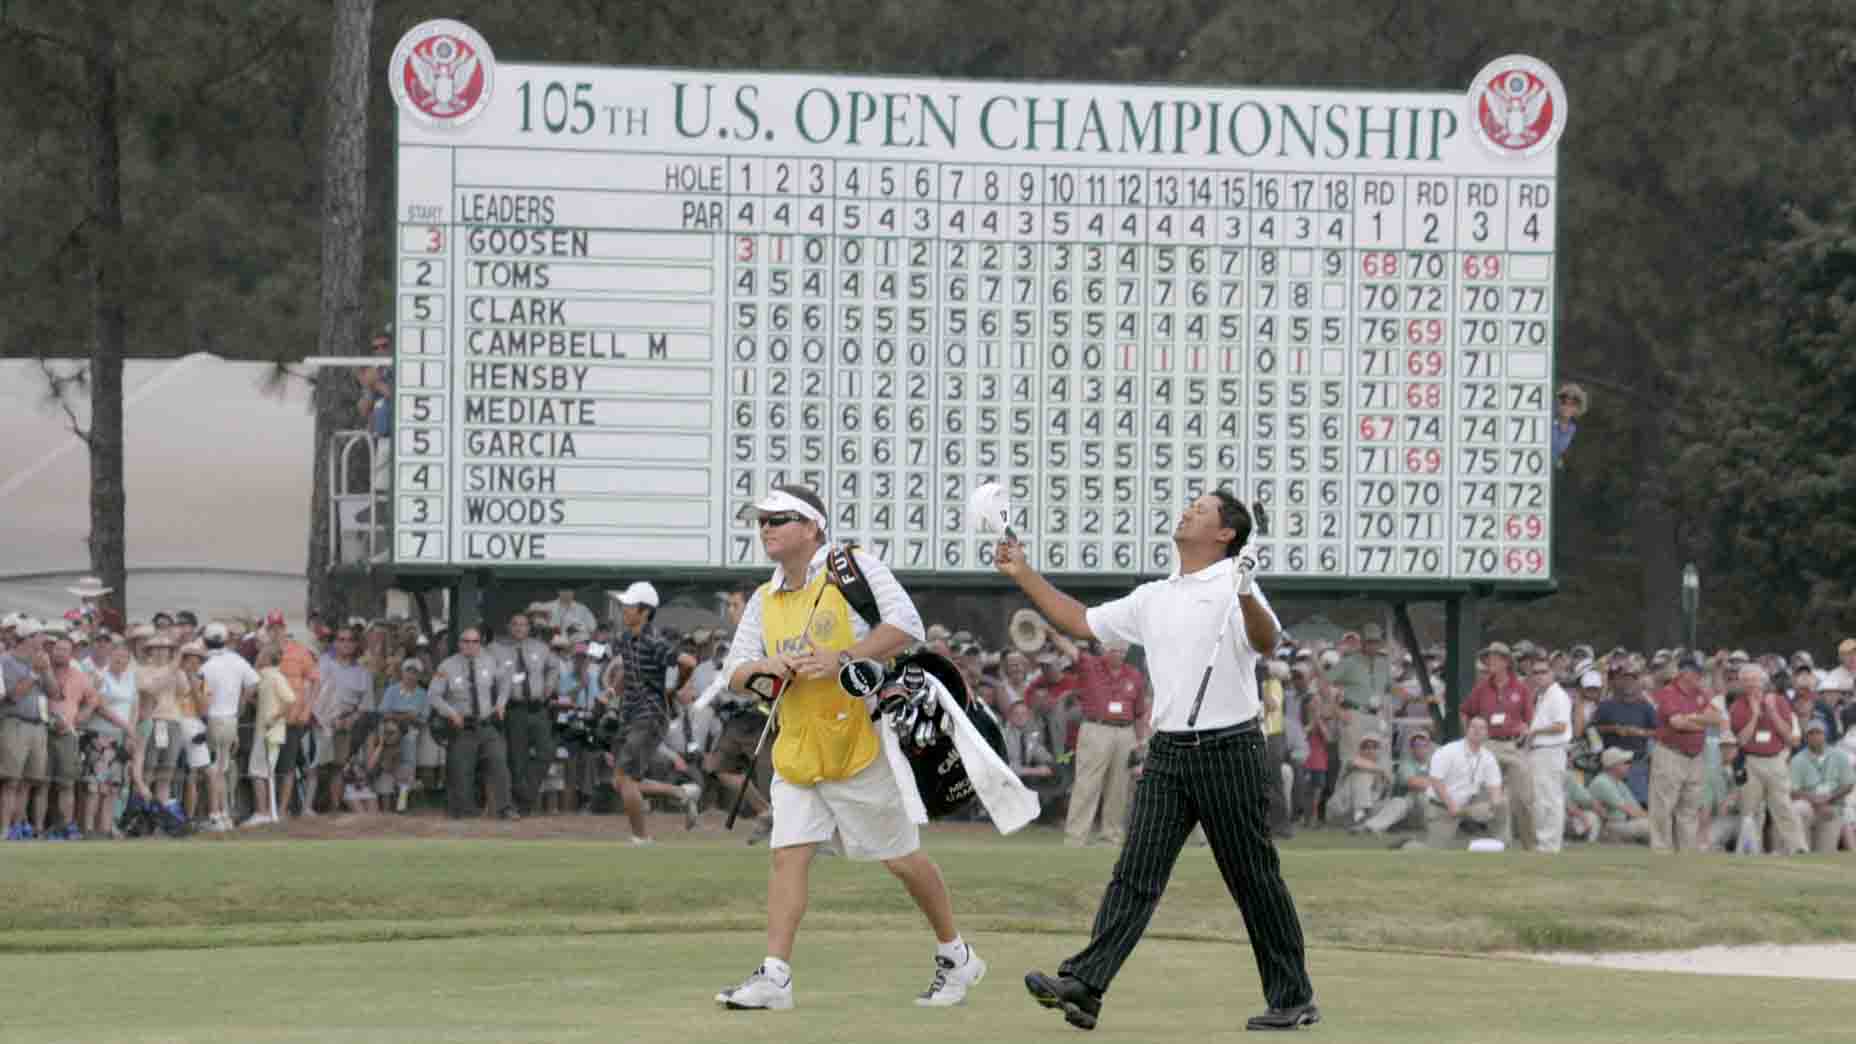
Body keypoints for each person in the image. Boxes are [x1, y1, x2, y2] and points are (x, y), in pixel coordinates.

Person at [999, 490, 1317, 1032]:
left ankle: (1293, 997)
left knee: (1253, 878)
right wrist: (1023, 572)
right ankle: (1087, 983)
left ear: (1224, 534)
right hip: (1169, 750)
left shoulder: (1236, 582)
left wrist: (1243, 590)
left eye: (1202, 507)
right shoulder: (1154, 597)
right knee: (1135, 874)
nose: (1188, 509)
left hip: (1229, 748)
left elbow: (1266, 641)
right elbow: (1081, 622)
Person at [714, 485, 993, 1012]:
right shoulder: (763, 598)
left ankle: (956, 954)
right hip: (798, 749)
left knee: (902, 861)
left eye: (780, 519)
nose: (767, 528)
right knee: (787, 857)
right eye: (763, 521)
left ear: (813, 527)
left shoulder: (852, 566)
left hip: (860, 745)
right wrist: (763, 671)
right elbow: (735, 671)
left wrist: (843, 656)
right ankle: (775, 976)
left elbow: (905, 626)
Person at [608, 582, 698, 844]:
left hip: (650, 715)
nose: (624, 609)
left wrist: (676, 687)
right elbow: (627, 669)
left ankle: (641, 837)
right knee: (622, 781)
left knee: (624, 778)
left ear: (645, 611)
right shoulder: (626, 639)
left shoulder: (654, 641)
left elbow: (688, 662)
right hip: (631, 714)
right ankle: (681, 793)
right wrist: (614, 691)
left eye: (629, 606)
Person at [1046, 634, 1148, 848]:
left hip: (1125, 731)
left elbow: (1140, 713)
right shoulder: (1090, 665)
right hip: (1095, 728)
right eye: (1113, 650)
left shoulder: (1135, 675)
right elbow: (1070, 649)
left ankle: (1111, 837)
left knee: (1119, 787)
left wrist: (1141, 742)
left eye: (1122, 651)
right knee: (1087, 783)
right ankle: (1075, 838)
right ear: (1104, 649)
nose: (1118, 654)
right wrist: (1050, 632)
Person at [427, 628, 516, 820]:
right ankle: (464, 812)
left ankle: (505, 808)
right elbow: (433, 695)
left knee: (499, 765)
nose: (470, 645)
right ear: (460, 643)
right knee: (461, 771)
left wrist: (500, 704)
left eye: (474, 641)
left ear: (480, 643)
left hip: (486, 724)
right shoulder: (447, 666)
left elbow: (506, 682)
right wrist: (451, 713)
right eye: (466, 641)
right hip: (462, 727)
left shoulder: (490, 661)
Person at [1459, 642, 1536, 850]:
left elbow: (1529, 721)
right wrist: (1470, 738)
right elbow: (1465, 711)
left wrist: (1525, 730)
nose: (1489, 662)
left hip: (1512, 746)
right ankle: (1501, 842)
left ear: (1505, 662)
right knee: (1494, 798)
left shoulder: (1521, 688)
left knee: (1523, 798)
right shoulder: (1482, 687)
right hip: (1489, 745)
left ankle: (1531, 846)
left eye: (1493, 659)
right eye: (1488, 659)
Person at [1648, 654, 1725, 852]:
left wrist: (1693, 718)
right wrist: (1702, 722)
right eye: (1696, 672)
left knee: (1689, 807)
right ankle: (1661, 850)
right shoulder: (1668, 692)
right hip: (1670, 753)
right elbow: (1677, 723)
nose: (1699, 676)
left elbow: (1718, 718)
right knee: (1664, 806)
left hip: (1694, 756)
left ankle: (1686, 852)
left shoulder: (1700, 692)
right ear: (1684, 673)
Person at [1729, 665, 1806, 855]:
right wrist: (1755, 715)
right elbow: (1742, 740)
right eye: (1746, 680)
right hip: (1751, 760)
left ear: (1763, 682)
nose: (1750, 684)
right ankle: (1751, 849)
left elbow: (1789, 736)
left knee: (1783, 806)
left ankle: (1797, 848)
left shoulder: (1779, 701)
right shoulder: (1738, 706)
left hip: (1776, 760)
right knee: (1751, 809)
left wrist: (1771, 711)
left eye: (1754, 680)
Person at [491, 612, 559, 817]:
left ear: (529, 628)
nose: (520, 628)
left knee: (546, 753)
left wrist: (549, 685)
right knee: (517, 759)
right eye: (515, 624)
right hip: (515, 709)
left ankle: (525, 797)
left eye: (523, 625)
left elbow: (554, 666)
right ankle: (523, 806)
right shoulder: (496, 649)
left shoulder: (540, 647)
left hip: (538, 709)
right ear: (509, 627)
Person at [199, 623, 259, 833]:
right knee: (222, 767)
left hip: (213, 719)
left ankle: (216, 816)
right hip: (231, 720)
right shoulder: (237, 660)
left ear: (205, 641)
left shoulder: (205, 664)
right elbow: (253, 684)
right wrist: (241, 704)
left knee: (214, 770)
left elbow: (202, 696)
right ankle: (224, 815)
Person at [1422, 716, 1508, 847]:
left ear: (1487, 733)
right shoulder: (1448, 751)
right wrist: (1451, 806)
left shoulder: (1488, 756)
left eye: (1482, 728)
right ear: (1466, 730)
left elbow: (1494, 784)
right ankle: (1407, 845)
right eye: (1473, 727)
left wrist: (1494, 804)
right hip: (1442, 806)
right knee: (1433, 853)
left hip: (1467, 806)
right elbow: (1435, 780)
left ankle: (1502, 846)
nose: (1477, 731)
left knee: (1502, 803)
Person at [1523, 655, 1573, 853]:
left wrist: (1534, 732)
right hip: (1540, 751)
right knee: (1542, 798)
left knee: (1550, 799)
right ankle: (1545, 843)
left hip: (1550, 750)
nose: (1539, 676)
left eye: (1544, 672)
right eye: (1535, 673)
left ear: (1552, 673)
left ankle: (1550, 845)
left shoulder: (1558, 695)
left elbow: (1560, 726)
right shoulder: (1542, 695)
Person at [1590, 662, 1657, 804]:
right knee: (1613, 807)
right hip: (1611, 764)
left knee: (1640, 804)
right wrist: (1613, 729)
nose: (1628, 683)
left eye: (1632, 679)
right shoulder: (1606, 705)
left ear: (1638, 682)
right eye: (1624, 678)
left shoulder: (1645, 706)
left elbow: (1658, 731)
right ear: (1618, 681)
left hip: (1637, 763)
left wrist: (1640, 732)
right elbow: (1593, 729)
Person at [1789, 719, 1853, 853]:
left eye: (1818, 732)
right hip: (1808, 805)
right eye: (1811, 733)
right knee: (1796, 808)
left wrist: (1829, 799)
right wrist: (1814, 801)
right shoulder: (1797, 760)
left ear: (1826, 735)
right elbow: (1793, 791)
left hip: (1833, 806)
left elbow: (1848, 785)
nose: (1815, 736)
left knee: (1824, 852)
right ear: (1806, 738)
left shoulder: (1840, 756)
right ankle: (1801, 849)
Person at [1590, 748, 1652, 843]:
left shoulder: (1619, 783)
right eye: (1625, 762)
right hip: (1607, 827)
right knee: (1650, 826)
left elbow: (1636, 809)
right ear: (1613, 765)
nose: (1629, 766)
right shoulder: (1602, 782)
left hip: (1621, 823)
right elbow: (1629, 810)